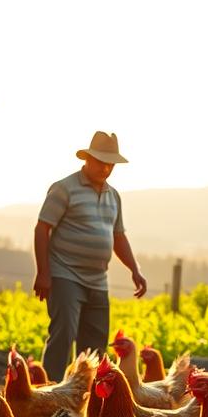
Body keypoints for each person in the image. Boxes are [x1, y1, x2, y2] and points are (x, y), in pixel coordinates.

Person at [33, 131, 147, 377]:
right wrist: (43, 273)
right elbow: (42, 228)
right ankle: (49, 394)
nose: (105, 168)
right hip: (65, 273)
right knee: (63, 335)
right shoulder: (65, 188)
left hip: (98, 279)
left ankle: (84, 401)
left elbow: (118, 236)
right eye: (100, 161)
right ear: (87, 158)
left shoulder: (113, 195)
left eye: (110, 164)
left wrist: (135, 270)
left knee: (95, 345)